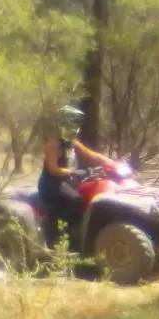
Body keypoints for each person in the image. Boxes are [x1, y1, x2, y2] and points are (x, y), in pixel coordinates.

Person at [37, 105, 115, 250]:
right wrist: (73, 172)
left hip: (64, 181)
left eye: (76, 122)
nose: (75, 126)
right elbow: (53, 170)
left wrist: (109, 162)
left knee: (85, 196)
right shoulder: (52, 146)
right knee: (75, 201)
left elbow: (92, 155)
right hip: (50, 185)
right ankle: (56, 234)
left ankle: (78, 232)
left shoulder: (72, 143)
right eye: (72, 122)